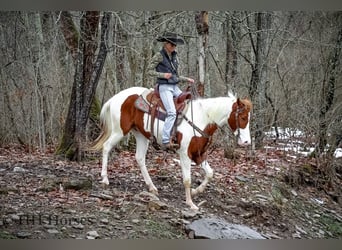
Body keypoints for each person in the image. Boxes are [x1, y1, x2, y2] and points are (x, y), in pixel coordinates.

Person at [147, 32, 195, 151]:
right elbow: (149, 70)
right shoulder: (159, 55)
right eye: (172, 45)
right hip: (164, 87)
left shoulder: (174, 56)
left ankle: (183, 133)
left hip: (174, 87)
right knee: (172, 112)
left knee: (188, 104)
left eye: (175, 45)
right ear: (166, 44)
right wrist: (163, 75)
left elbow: (176, 75)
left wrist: (186, 79)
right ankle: (165, 140)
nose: (174, 47)